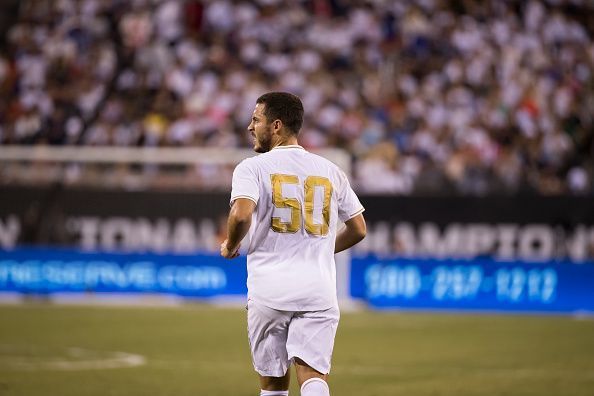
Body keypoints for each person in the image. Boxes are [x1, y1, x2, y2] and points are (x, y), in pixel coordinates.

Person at [220, 92, 366, 396]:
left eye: (256, 119)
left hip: (270, 290)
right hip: (318, 290)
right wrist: (324, 248)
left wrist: (232, 244)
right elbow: (358, 229)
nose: (250, 127)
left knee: (273, 385)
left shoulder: (252, 168)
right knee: (313, 375)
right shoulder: (330, 170)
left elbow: (241, 213)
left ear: (275, 125)